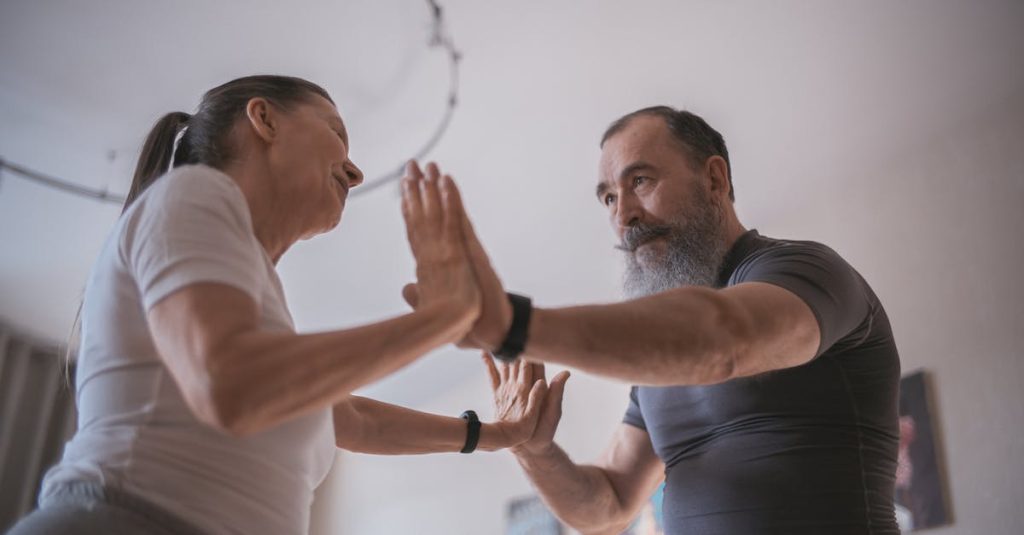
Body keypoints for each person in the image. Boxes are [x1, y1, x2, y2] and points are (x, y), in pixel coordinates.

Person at [8, 75, 547, 535]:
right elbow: (232, 387)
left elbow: (354, 418)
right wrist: (443, 319)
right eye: (337, 132)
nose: (356, 173)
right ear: (263, 119)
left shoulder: (258, 313)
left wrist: (494, 435)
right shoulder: (193, 192)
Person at [406, 106, 901, 534]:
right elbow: (607, 507)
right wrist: (534, 449)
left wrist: (513, 324)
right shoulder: (657, 368)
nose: (624, 216)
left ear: (715, 179)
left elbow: (724, 340)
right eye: (608, 198)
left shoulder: (805, 271)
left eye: (639, 181)